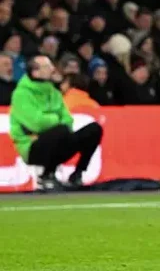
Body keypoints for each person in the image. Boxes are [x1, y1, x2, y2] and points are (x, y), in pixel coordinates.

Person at [9, 55, 103, 190]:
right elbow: (36, 123)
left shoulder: (54, 92)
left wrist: (53, 121)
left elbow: (68, 120)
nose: (53, 69)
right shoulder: (21, 94)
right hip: (31, 147)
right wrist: (56, 119)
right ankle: (46, 175)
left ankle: (77, 174)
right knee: (61, 130)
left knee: (94, 130)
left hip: (57, 141)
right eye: (47, 67)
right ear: (35, 72)